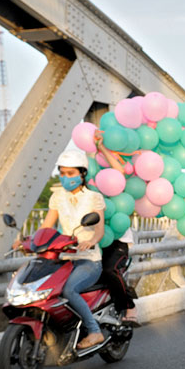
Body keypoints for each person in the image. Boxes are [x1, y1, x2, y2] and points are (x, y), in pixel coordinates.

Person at [37, 149, 108, 349]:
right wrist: (28, 241)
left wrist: (91, 241)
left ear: (82, 174)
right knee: (46, 290)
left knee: (68, 289)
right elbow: (47, 226)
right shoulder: (57, 197)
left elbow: (99, 230)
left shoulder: (94, 198)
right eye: (63, 173)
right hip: (63, 257)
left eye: (71, 174)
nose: (66, 178)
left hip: (88, 259)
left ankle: (94, 331)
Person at [94, 132, 142, 326]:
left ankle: (128, 305)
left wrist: (101, 148)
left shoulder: (113, 185)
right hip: (93, 238)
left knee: (109, 270)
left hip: (118, 240)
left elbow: (119, 171)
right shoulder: (91, 185)